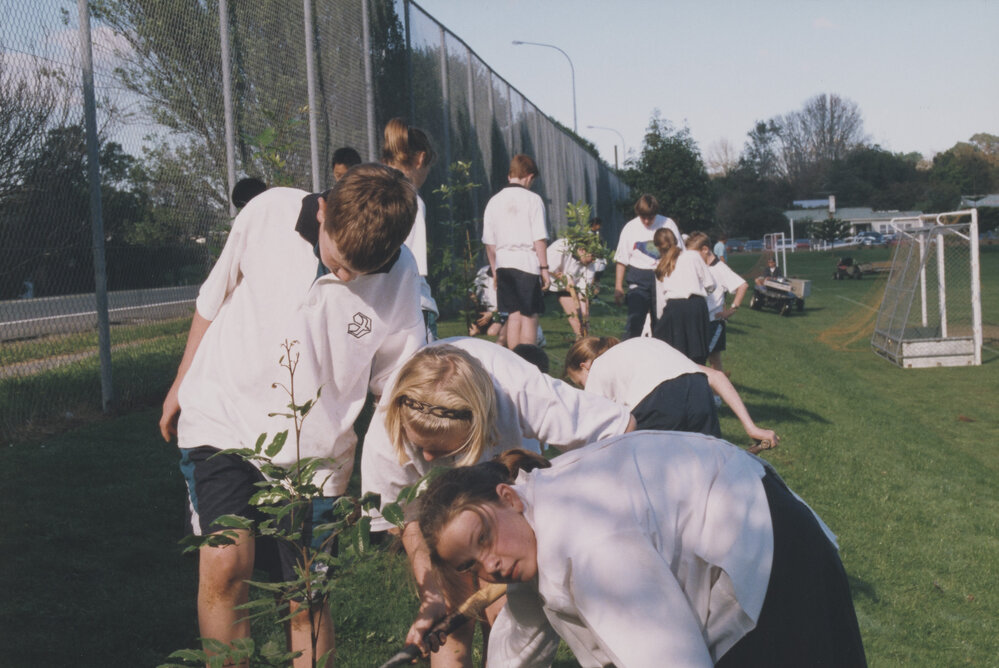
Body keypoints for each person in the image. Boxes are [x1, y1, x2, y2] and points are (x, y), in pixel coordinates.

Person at [159, 164, 427, 666]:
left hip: (314, 455)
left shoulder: (401, 273)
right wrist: (181, 380)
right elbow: (213, 297)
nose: (344, 278)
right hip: (222, 417)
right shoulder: (268, 212)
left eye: (358, 273)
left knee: (304, 596)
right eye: (338, 262)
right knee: (225, 566)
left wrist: (402, 483)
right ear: (322, 210)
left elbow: (395, 386)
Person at [417, 433, 867, 668]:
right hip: (750, 530)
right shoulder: (529, 526)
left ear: (508, 498)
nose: (490, 565)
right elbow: (521, 640)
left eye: (483, 537)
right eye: (471, 564)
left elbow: (673, 660)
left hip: (771, 553)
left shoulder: (591, 547)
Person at [360, 337, 635, 668]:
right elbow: (407, 519)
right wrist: (431, 597)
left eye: (444, 451)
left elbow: (619, 430)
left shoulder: (520, 391)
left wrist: (570, 518)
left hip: (507, 494)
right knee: (449, 609)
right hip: (443, 513)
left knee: (506, 611)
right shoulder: (388, 429)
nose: (429, 458)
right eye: (420, 448)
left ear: (480, 429)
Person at [564, 334, 777, 445]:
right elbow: (717, 376)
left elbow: (594, 433)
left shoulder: (598, 368)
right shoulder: (645, 344)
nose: (585, 387)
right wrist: (751, 427)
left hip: (657, 402)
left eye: (580, 382)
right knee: (711, 472)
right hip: (697, 390)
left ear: (585, 366)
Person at [482, 154, 550, 350]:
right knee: (529, 316)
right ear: (529, 177)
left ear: (510, 175)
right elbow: (539, 238)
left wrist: (495, 271)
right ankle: (528, 361)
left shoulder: (494, 201)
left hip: (503, 264)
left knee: (513, 316)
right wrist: (544, 269)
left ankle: (514, 360)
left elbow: (489, 243)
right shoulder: (533, 200)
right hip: (526, 263)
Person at [382, 118, 439, 340]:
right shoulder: (412, 201)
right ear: (420, 158)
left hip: (379, 304)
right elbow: (413, 268)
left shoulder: (372, 194)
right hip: (413, 307)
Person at [613, 194, 681, 339]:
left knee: (661, 322)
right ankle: (630, 349)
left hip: (663, 276)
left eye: (650, 217)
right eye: (643, 217)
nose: (646, 221)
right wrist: (618, 286)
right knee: (635, 321)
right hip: (638, 276)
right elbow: (621, 259)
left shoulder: (668, 223)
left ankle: (660, 349)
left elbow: (679, 252)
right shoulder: (630, 228)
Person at [652, 228, 716, 364]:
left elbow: (661, 301)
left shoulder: (660, 266)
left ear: (658, 247)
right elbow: (710, 284)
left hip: (674, 309)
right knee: (697, 355)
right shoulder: (693, 256)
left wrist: (661, 319)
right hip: (696, 307)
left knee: (674, 355)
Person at [688, 233, 748, 374]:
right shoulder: (699, 266)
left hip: (713, 322)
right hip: (698, 320)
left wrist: (731, 310)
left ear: (705, 249)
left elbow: (743, 285)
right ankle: (718, 384)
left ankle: (712, 386)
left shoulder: (720, 268)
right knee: (713, 357)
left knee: (705, 358)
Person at [546, 237, 598, 339]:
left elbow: (583, 292)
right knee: (528, 313)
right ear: (582, 250)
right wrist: (564, 278)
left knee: (578, 320)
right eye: (593, 256)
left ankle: (582, 341)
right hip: (540, 277)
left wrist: (585, 315)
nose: (594, 260)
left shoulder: (590, 264)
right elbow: (548, 266)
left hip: (562, 286)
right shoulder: (562, 245)